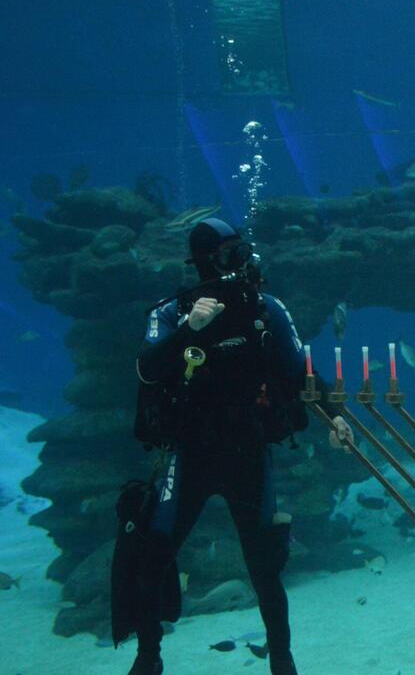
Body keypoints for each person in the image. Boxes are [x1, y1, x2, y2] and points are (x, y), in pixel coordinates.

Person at [126, 219, 353, 675]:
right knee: (153, 555)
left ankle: (282, 660)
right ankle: (148, 656)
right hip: (189, 452)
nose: (242, 262)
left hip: (247, 451)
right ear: (204, 262)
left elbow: (301, 371)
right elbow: (147, 369)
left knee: (264, 565)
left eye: (242, 251)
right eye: (229, 254)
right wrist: (189, 329)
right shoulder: (172, 312)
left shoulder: (265, 309)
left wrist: (336, 416)